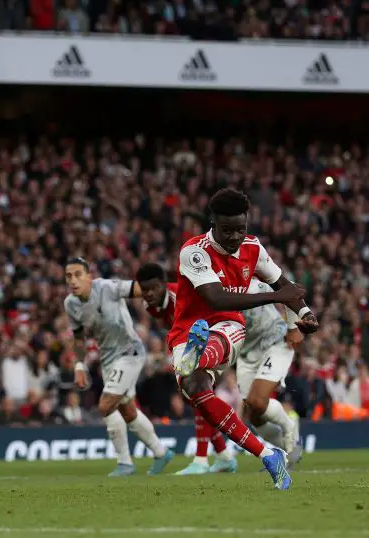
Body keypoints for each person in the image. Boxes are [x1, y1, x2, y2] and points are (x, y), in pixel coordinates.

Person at [168, 188, 319, 490]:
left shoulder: (253, 248)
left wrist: (304, 312)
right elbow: (215, 297)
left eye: (241, 228)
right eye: (228, 230)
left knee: (213, 349)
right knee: (196, 390)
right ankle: (268, 455)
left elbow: (281, 282)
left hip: (230, 327)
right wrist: (277, 296)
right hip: (190, 328)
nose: (236, 236)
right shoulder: (194, 251)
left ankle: (196, 357)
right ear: (212, 223)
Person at [64, 257, 174, 477]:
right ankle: (161, 453)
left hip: (130, 352)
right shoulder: (71, 304)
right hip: (108, 358)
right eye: (69, 276)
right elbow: (78, 339)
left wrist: (168, 298)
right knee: (127, 410)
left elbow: (140, 288)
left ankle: (125, 462)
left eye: (78, 274)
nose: (73, 280)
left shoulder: (107, 287)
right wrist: (78, 365)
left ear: (89, 277)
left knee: (106, 406)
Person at [136, 262, 238, 475]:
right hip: (190, 344)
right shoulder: (152, 307)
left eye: (154, 288)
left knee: (200, 392)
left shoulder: (177, 298)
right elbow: (174, 330)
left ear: (164, 284)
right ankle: (224, 456)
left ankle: (201, 460)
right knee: (196, 398)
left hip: (215, 336)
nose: (149, 294)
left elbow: (199, 323)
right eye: (145, 290)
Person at [236, 277, 303, 465]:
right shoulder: (213, 294)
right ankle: (287, 449)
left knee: (257, 400)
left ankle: (290, 428)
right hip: (246, 353)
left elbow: (290, 290)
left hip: (275, 342)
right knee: (254, 414)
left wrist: (293, 326)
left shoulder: (253, 285)